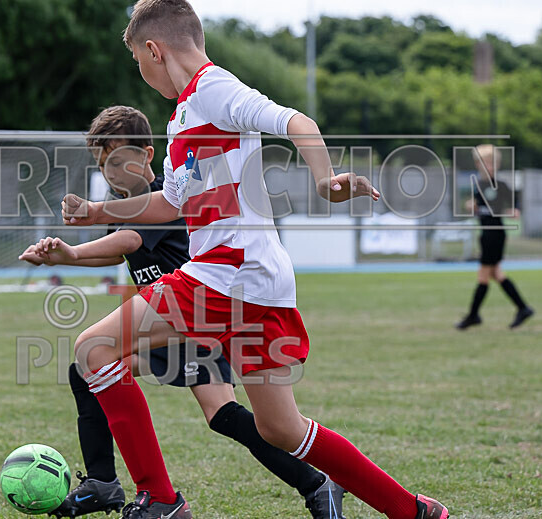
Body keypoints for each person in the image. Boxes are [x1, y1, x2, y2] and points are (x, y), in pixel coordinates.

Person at [59, 2, 450, 519]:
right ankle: (414, 512)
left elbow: (296, 122)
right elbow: (169, 205)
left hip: (227, 273)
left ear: (153, 50)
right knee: (281, 429)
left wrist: (325, 181)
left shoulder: (213, 89)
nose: (141, 70)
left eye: (137, 60)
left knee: (93, 350)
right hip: (258, 281)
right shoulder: (181, 119)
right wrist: (97, 211)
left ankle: (160, 499)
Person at [20, 106, 346, 519]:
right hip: (173, 325)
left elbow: (129, 239)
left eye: (120, 160)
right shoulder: (123, 203)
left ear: (149, 154)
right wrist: (65, 258)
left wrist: (71, 252)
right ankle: (104, 483)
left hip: (195, 317)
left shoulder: (161, 196)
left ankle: (315, 483)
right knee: (98, 373)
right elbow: (121, 249)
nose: (112, 172)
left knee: (218, 412)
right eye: (104, 164)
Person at [457, 144, 534, 330]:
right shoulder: (478, 186)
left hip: (495, 234)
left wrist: (514, 210)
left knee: (484, 275)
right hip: (485, 233)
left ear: (497, 164)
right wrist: (471, 207)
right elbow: (476, 208)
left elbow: (515, 206)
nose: (488, 166)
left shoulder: (501, 185)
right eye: (483, 162)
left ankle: (473, 315)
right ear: (477, 164)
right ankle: (523, 308)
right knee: (496, 274)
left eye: (491, 162)